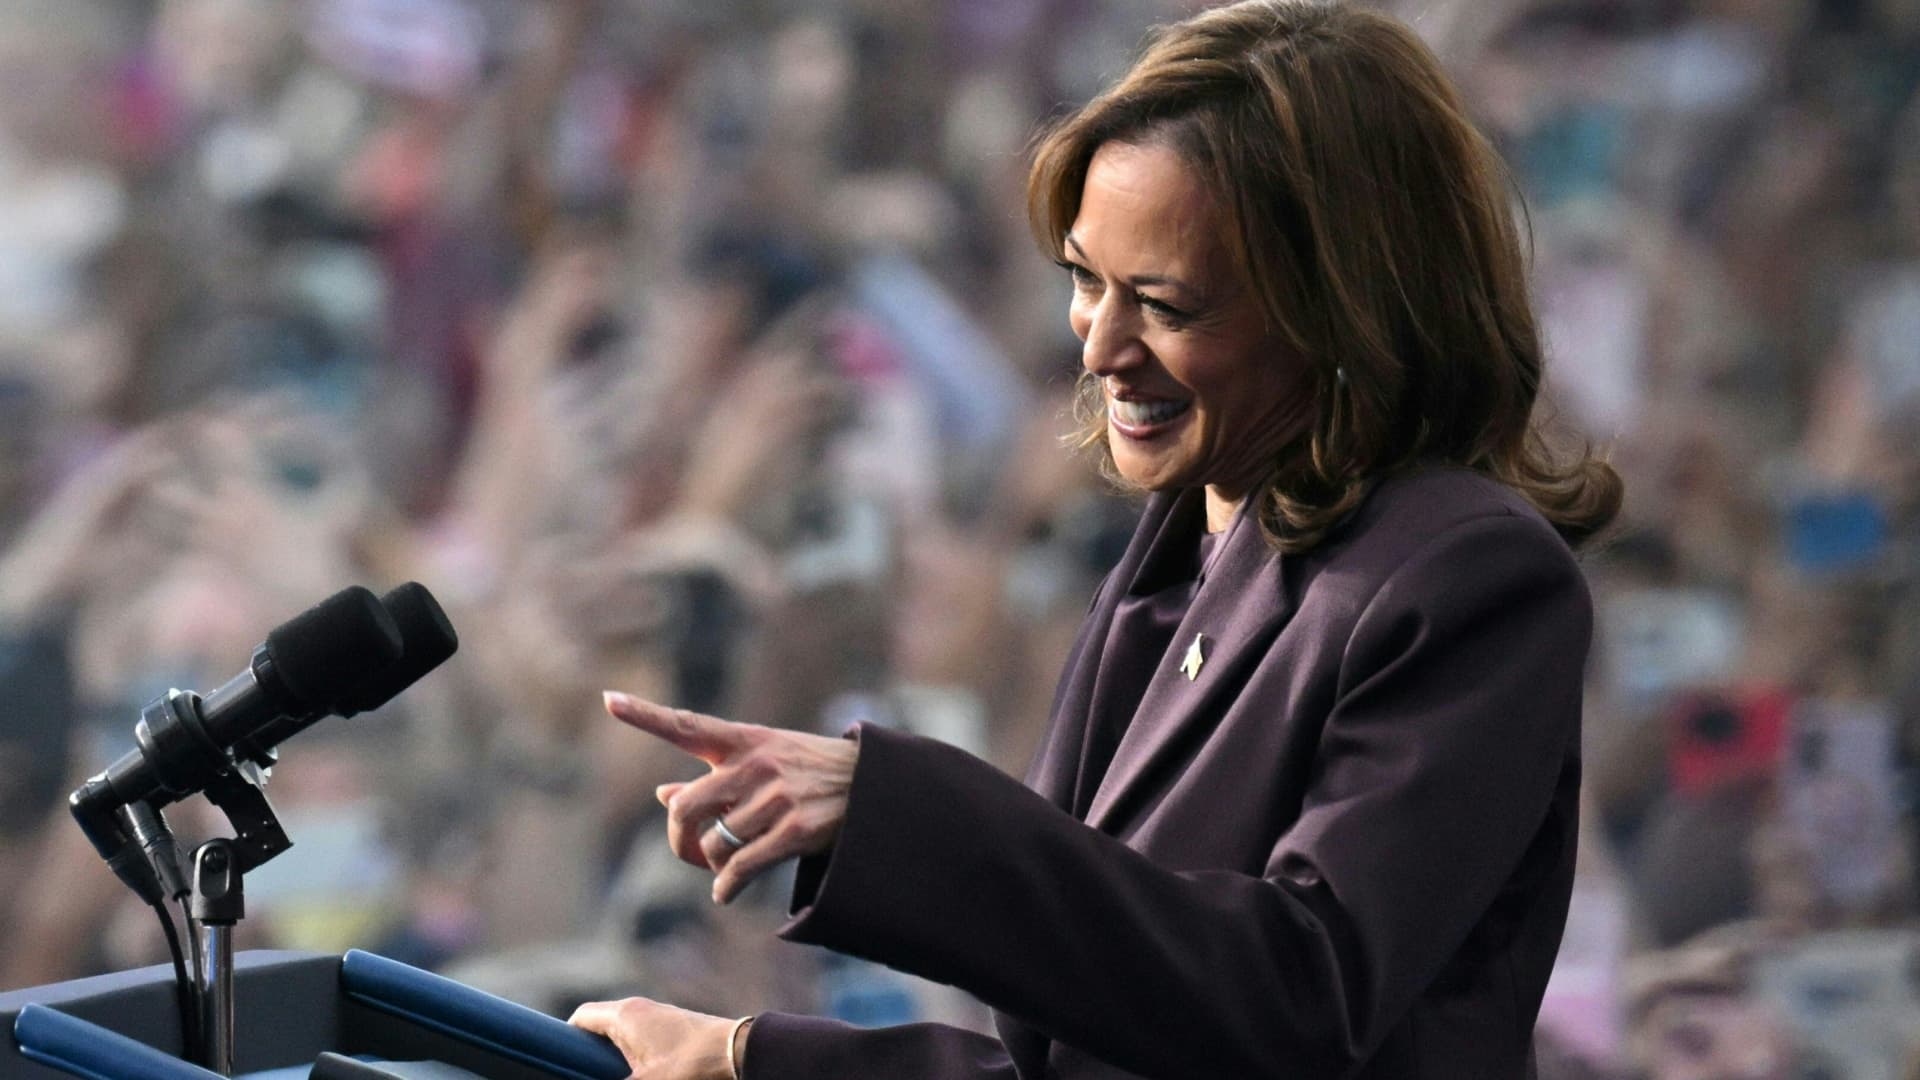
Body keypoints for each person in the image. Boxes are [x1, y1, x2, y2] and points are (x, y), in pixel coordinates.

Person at [568, 1, 1623, 1076]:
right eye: (1085, 282)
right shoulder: (1169, 561)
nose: (1103, 346)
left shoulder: (1467, 578)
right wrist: (748, 1060)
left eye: (1163, 303)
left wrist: (896, 815)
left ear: (1340, 308)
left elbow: (1297, 998)